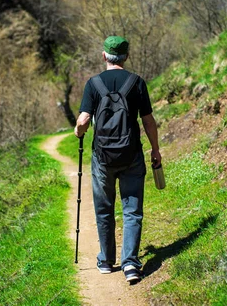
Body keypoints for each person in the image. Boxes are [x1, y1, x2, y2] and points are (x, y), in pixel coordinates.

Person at [74, 35, 162, 284]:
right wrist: (155, 149)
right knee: (132, 211)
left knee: (104, 209)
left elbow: (82, 121)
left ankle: (106, 261)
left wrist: (79, 132)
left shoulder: (93, 84)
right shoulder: (137, 82)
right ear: (126, 56)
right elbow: (147, 121)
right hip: (132, 154)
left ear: (104, 56)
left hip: (102, 158)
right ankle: (131, 264)